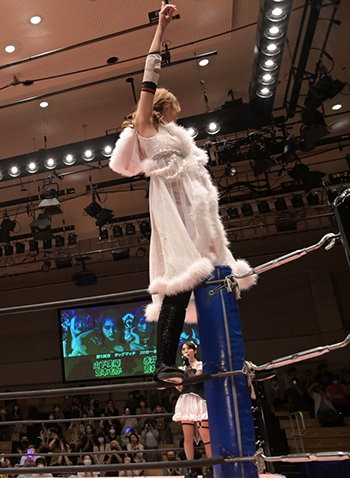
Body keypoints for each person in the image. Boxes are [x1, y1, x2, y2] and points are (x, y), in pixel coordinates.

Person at [109, 2, 255, 384]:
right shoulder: (146, 127)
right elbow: (150, 70)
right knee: (177, 283)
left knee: (211, 275)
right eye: (172, 107)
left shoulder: (176, 137)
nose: (178, 113)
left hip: (194, 206)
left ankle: (223, 358)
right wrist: (162, 27)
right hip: (170, 206)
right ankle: (163, 363)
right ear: (160, 107)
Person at [172, 341, 213, 478]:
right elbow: (179, 386)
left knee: (205, 436)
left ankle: (211, 466)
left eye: (188, 348)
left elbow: (195, 380)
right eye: (183, 349)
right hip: (186, 400)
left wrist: (188, 368)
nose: (185, 351)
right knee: (187, 437)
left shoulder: (201, 364)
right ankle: (191, 468)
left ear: (194, 351)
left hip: (199, 399)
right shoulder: (180, 368)